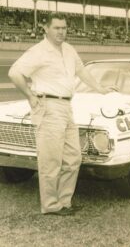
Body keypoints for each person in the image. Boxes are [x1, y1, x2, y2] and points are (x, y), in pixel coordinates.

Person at [8, 13, 113, 216]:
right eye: (56, 28)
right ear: (45, 29)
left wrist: (100, 88)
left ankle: (65, 202)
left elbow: (82, 71)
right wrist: (29, 96)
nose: (61, 32)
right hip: (48, 106)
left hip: (66, 107)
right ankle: (50, 205)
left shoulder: (68, 49)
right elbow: (14, 73)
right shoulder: (39, 51)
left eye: (64, 28)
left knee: (73, 157)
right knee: (51, 160)